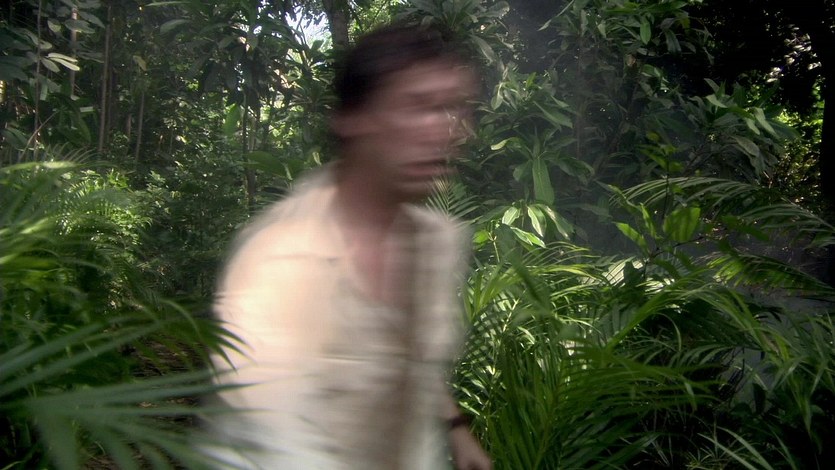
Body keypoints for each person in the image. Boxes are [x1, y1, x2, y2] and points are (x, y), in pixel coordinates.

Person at [206, 22, 492, 470]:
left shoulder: (436, 242)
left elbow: (410, 358)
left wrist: (455, 428)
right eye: (420, 106)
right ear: (353, 118)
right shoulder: (280, 260)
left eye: (455, 108)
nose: (449, 131)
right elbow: (274, 441)